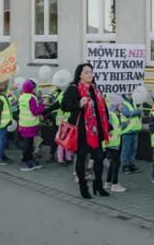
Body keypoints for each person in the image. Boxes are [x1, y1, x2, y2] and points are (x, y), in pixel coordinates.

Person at [61, 64, 110, 199]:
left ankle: (98, 185)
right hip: (82, 131)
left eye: (91, 72)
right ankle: (83, 187)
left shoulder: (95, 89)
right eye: (86, 72)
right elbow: (64, 106)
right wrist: (79, 104)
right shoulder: (73, 89)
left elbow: (103, 108)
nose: (90, 75)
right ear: (80, 75)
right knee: (82, 159)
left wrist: (108, 127)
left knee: (99, 158)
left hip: (96, 130)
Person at [18, 80, 45, 171]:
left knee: (28, 143)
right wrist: (42, 106)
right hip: (30, 125)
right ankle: (25, 161)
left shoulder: (22, 96)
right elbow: (35, 112)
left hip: (23, 124)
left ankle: (29, 160)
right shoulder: (31, 97)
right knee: (28, 145)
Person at [104, 97, 127, 193]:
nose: (123, 106)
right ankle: (115, 184)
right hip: (111, 144)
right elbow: (108, 130)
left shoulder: (116, 115)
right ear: (116, 105)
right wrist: (123, 126)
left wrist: (124, 126)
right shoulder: (111, 115)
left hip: (114, 143)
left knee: (113, 163)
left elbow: (116, 130)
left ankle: (108, 182)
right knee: (116, 162)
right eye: (121, 104)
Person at [119, 92, 142, 173]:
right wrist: (138, 111)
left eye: (131, 94)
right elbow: (127, 114)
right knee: (126, 149)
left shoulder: (133, 103)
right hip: (127, 130)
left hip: (134, 129)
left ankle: (131, 164)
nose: (131, 96)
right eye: (129, 94)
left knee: (133, 149)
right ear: (124, 95)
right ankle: (125, 165)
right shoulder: (123, 103)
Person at [0, 82, 14, 166]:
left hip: (3, 123)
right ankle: (0, 158)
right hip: (1, 123)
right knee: (2, 141)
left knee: (3, 140)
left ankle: (2, 155)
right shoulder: (1, 98)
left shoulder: (2, 97)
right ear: (5, 89)